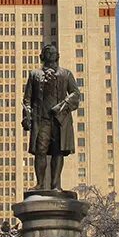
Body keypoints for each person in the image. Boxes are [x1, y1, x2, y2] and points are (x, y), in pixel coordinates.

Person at [21, 44, 81, 192]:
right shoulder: (35, 75)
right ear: (42, 56)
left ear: (57, 56)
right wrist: (27, 116)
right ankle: (40, 184)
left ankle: (56, 185)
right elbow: (27, 99)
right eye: (47, 52)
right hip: (42, 120)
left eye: (53, 52)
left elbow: (75, 94)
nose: (50, 55)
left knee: (58, 151)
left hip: (60, 120)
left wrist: (63, 105)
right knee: (40, 151)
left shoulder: (66, 74)